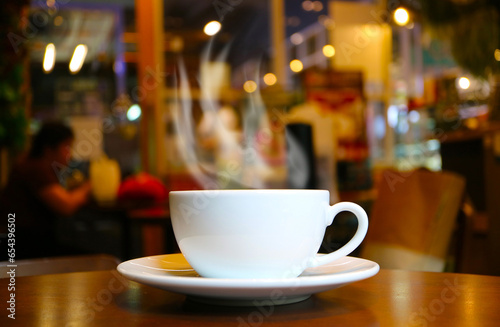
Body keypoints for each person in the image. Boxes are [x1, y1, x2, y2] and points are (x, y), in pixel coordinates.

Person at [0, 121, 92, 259]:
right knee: (93, 259)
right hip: (24, 247)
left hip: (29, 242)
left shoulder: (36, 166)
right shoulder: (35, 169)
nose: (70, 154)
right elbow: (66, 206)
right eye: (66, 147)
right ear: (49, 149)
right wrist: (90, 184)